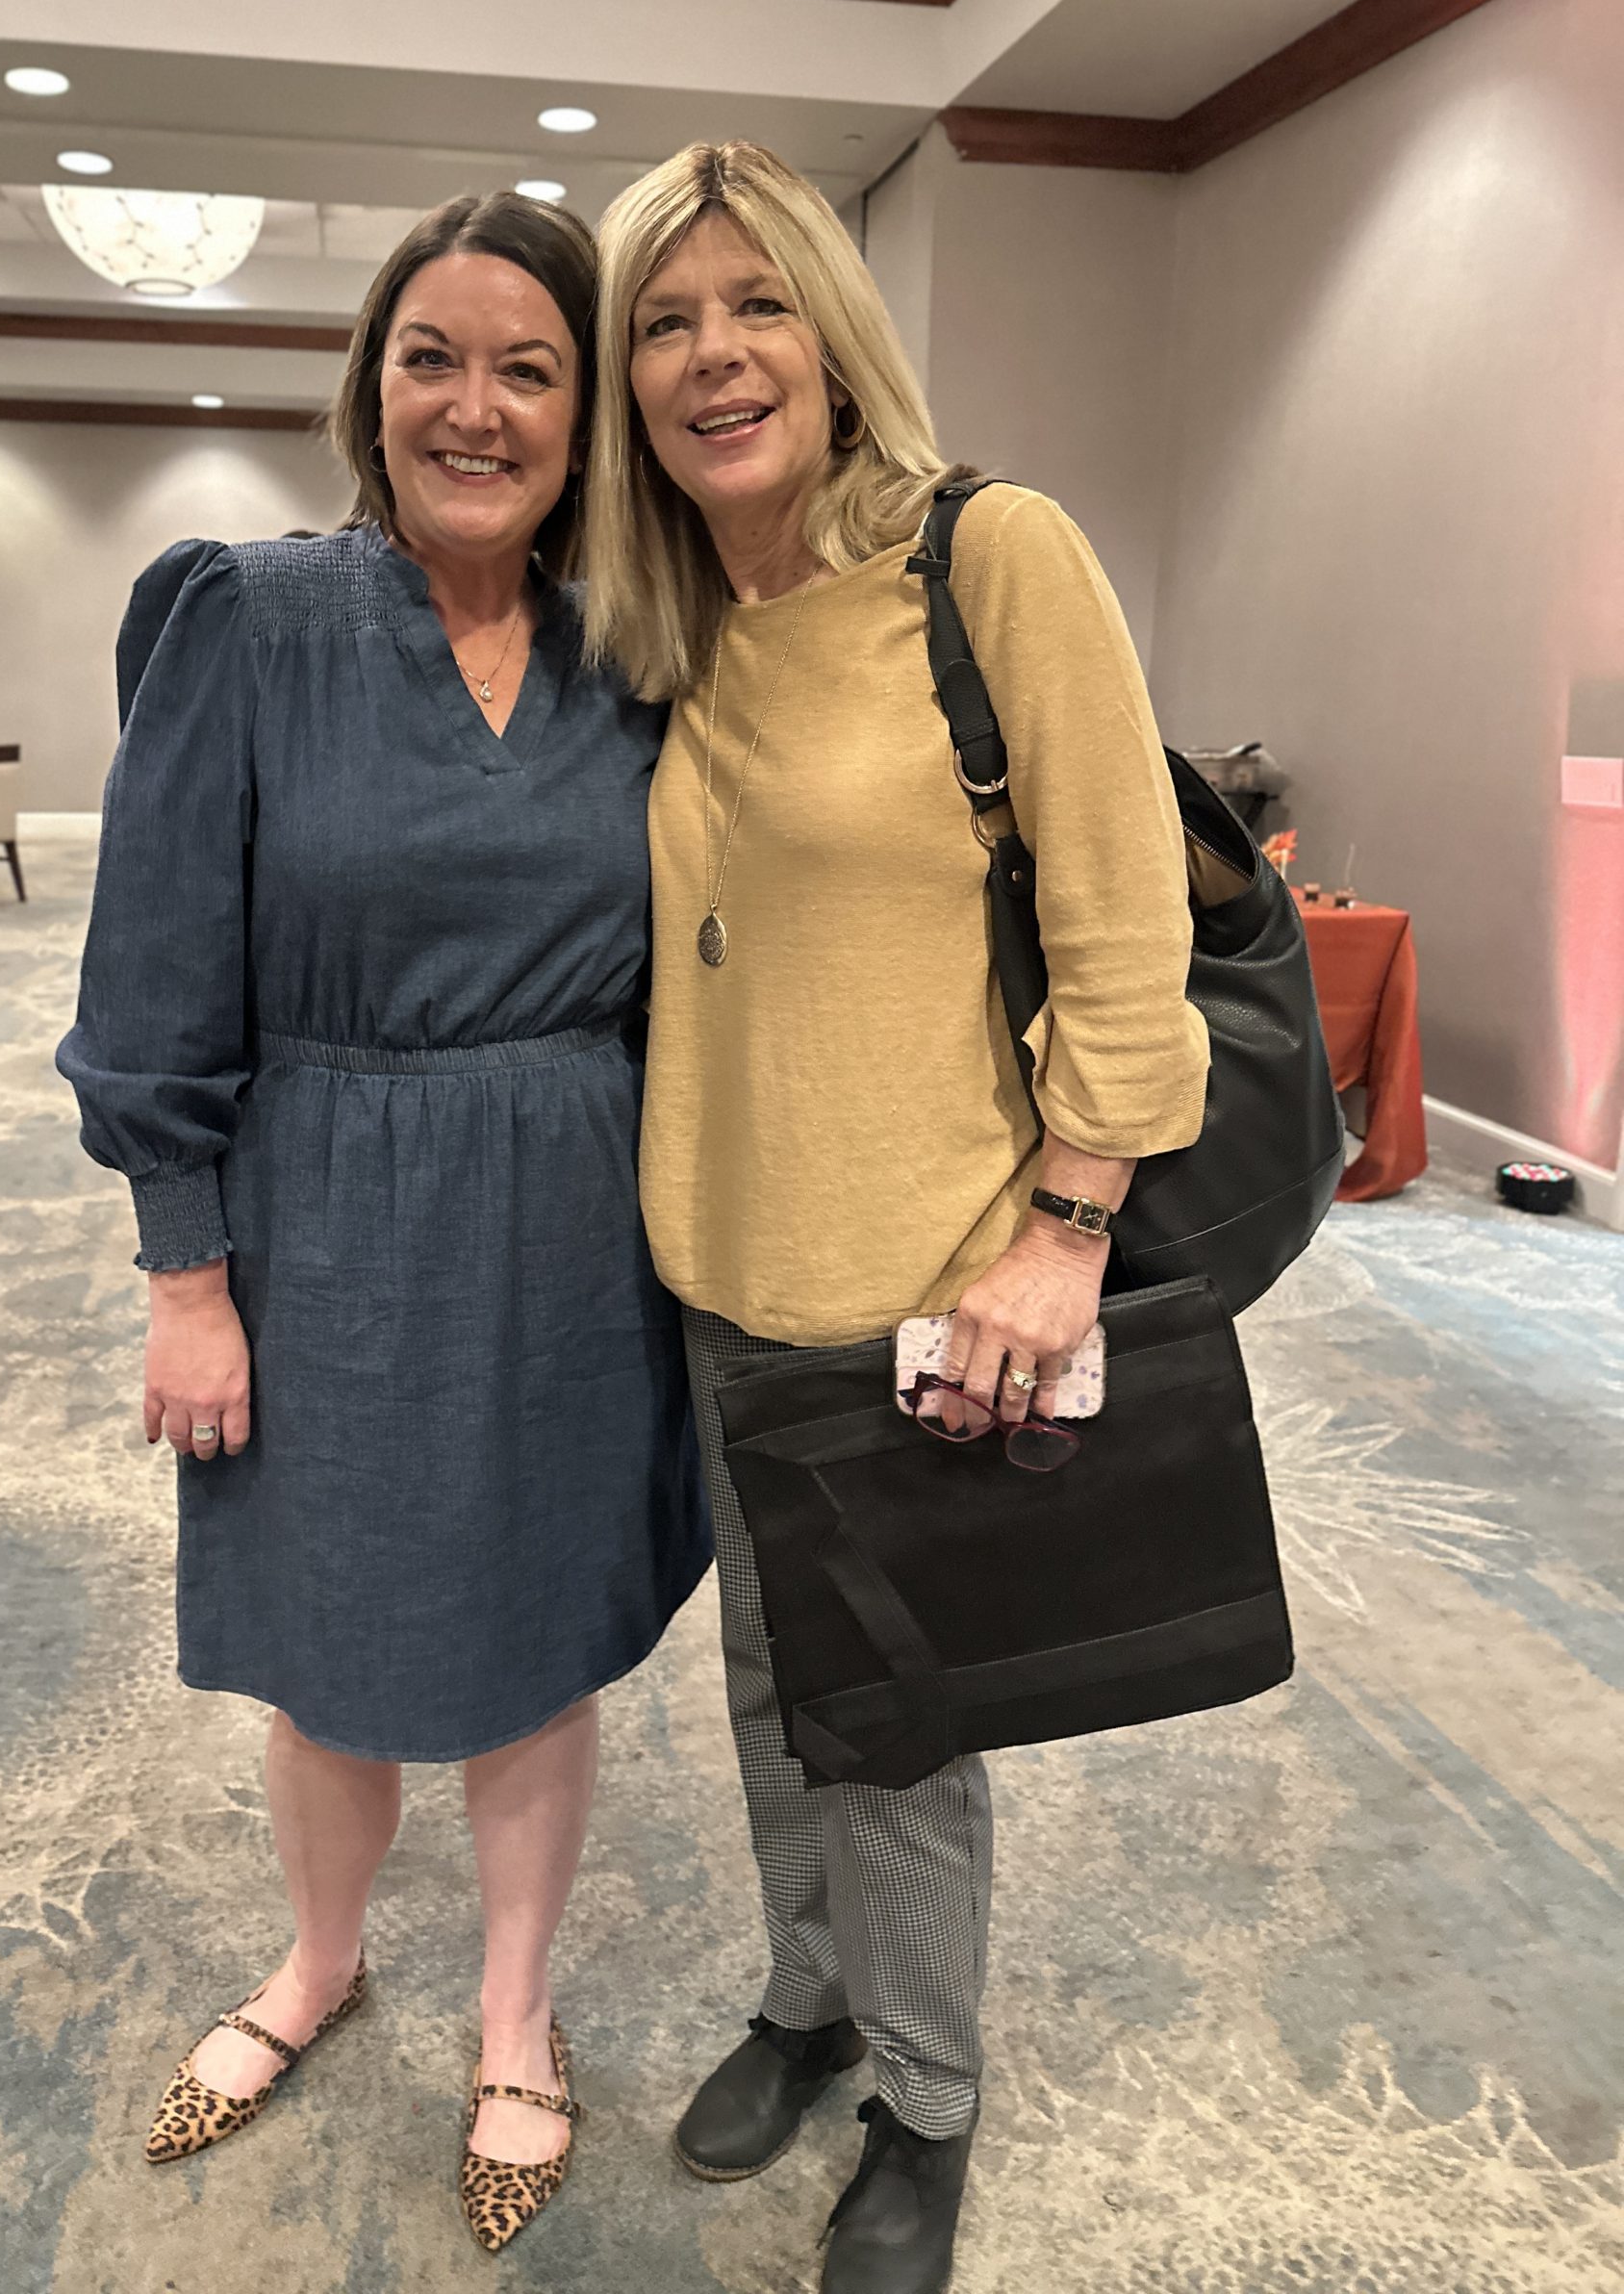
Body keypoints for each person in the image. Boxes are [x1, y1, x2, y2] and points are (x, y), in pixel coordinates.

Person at [586, 141, 1208, 2294]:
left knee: (906, 1723)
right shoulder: (671, 620)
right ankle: (810, 1991)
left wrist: (1067, 1230)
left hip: (936, 1271)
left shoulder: (985, 553)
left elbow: (1124, 919)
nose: (714, 354)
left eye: (758, 303)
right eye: (664, 321)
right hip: (720, 1264)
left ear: (838, 338)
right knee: (775, 1683)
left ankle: (928, 2100)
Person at [59, 191, 708, 2252]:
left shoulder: (641, 651)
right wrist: (186, 1276)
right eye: (432, 356)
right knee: (327, 1649)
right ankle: (322, 1957)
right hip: (322, 1211)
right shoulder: (248, 617)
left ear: (586, 419)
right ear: (371, 384)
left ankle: (515, 2007)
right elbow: (153, 965)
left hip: (576, 1221)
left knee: (536, 1637)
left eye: (529, 368)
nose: (474, 406)